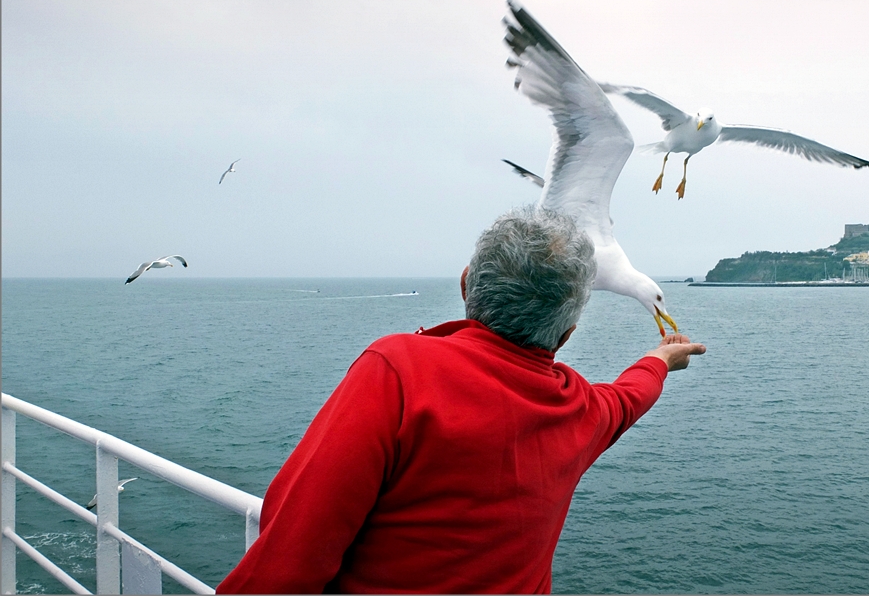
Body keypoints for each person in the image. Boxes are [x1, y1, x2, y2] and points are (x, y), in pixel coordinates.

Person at [217, 206, 705, 594]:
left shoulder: (398, 370)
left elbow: (288, 559)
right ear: (568, 331)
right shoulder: (575, 408)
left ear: (467, 283)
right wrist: (660, 359)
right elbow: (626, 398)